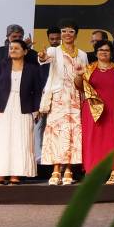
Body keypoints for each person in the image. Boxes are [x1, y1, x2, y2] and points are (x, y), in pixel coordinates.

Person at [0, 39, 43, 184]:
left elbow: (37, 91)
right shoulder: (1, 66)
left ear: (25, 51)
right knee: (0, 140)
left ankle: (15, 174)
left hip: (24, 108)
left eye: (16, 48)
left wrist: (37, 109)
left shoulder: (33, 68)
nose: (12, 50)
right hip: (1, 108)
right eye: (11, 48)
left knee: (20, 140)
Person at [38, 19, 89, 185]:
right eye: (64, 31)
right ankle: (55, 170)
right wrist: (42, 56)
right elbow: (44, 59)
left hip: (76, 97)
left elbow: (85, 79)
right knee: (56, 133)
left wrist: (81, 76)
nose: (67, 34)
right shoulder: (54, 50)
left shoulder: (82, 54)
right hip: (59, 97)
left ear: (76, 34)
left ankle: (68, 169)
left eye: (71, 31)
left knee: (74, 134)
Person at [76, 39, 114, 184]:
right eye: (100, 50)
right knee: (91, 140)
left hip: (113, 109)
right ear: (96, 53)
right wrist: (79, 75)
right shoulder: (88, 68)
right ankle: (90, 172)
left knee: (113, 140)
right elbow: (79, 87)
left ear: (111, 53)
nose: (103, 52)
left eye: (107, 50)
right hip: (91, 109)